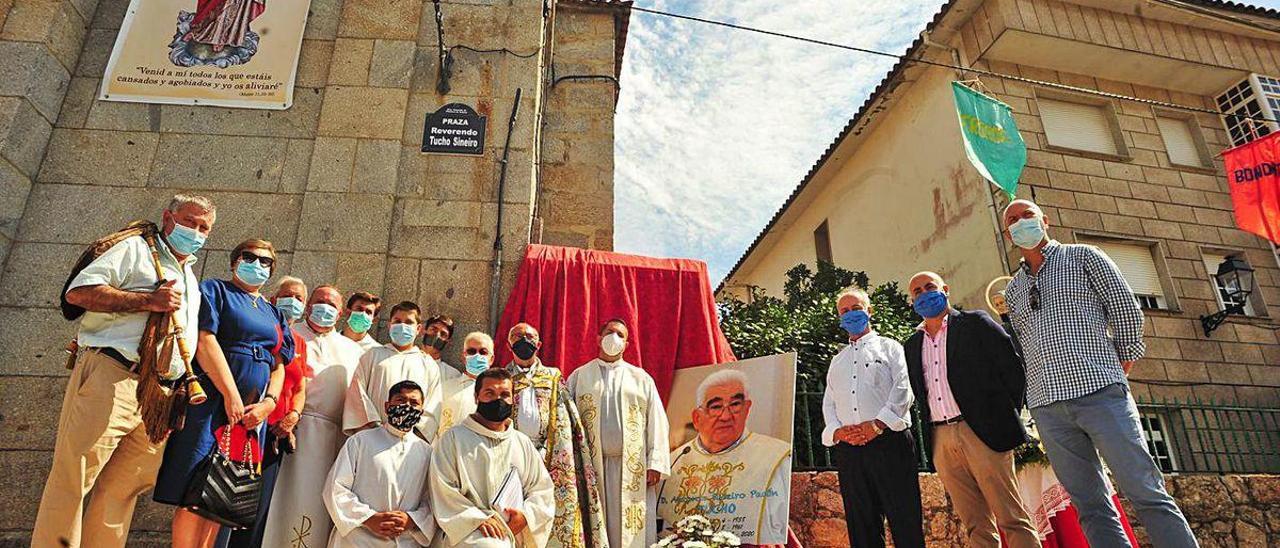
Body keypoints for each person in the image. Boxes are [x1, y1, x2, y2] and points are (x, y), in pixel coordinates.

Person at [1001, 199, 1196, 547]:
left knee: (1145, 490)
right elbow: (1024, 346)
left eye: (1026, 215)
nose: (1020, 223)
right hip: (1048, 407)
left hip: (1100, 393)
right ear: (1008, 234)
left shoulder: (1084, 257)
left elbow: (1124, 307)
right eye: (1012, 220)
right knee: (1089, 505)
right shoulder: (1014, 289)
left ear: (1045, 220)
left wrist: (1122, 361)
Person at [34, 194, 215, 548]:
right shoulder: (135, 249)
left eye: (203, 227)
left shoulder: (189, 276)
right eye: (189, 222)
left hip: (158, 394)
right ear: (168, 217)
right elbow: (79, 293)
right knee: (75, 476)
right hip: (115, 374)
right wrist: (148, 301)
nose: (195, 231)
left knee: (124, 488)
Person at [155, 239, 295, 548]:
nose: (257, 265)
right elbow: (205, 340)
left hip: (250, 417)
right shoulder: (215, 291)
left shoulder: (276, 314)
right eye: (250, 257)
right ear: (234, 261)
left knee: (220, 495)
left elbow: (279, 365)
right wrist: (231, 394)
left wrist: (268, 405)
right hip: (213, 402)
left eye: (266, 262)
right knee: (194, 489)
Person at [903, 271, 1039, 548]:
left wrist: (1001, 416)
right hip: (941, 437)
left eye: (930, 287)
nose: (924, 293)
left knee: (1010, 516)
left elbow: (1013, 370)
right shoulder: (912, 344)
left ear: (946, 290)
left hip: (982, 432)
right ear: (911, 300)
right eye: (917, 291)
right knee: (974, 522)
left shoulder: (975, 323)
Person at [262, 285, 367, 548]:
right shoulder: (289, 335)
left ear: (341, 313)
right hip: (282, 430)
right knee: (275, 503)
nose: (325, 308)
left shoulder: (354, 351)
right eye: (320, 302)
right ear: (308, 306)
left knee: (313, 507)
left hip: (329, 440)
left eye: (332, 305)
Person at [821, 287, 922, 548]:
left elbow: (903, 390)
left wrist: (877, 425)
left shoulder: (891, 348)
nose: (851, 314)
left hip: (891, 444)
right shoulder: (837, 361)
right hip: (850, 451)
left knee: (905, 520)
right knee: (861, 525)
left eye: (857, 308)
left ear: (869, 311)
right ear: (839, 317)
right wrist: (839, 432)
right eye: (845, 311)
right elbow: (829, 404)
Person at [218, 276, 314, 548]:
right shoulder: (259, 328)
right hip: (244, 425)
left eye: (299, 299)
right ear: (272, 299)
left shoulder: (299, 342)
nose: (293, 302)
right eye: (288, 295)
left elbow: (299, 387)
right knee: (222, 501)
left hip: (274, 436)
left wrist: (293, 416)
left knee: (256, 510)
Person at [566, 319, 670, 548]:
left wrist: (655, 462)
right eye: (610, 332)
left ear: (627, 344)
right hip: (591, 467)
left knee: (631, 529)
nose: (614, 338)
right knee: (595, 523)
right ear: (598, 338)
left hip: (632, 468)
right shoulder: (580, 376)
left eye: (620, 335)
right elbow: (566, 421)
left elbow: (657, 420)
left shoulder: (641, 378)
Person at [657, 369, 791, 546]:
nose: (726, 416)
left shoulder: (776, 456)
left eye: (735, 404)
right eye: (716, 407)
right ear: (697, 418)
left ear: (747, 409)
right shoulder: (674, 461)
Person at [504, 323, 607, 548]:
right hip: (512, 459)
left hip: (550, 457)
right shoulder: (502, 378)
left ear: (538, 345)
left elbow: (564, 421)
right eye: (517, 336)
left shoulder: (552, 377)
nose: (523, 340)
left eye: (529, 337)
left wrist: (545, 451)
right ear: (508, 344)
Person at [429, 368, 557, 547]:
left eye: (505, 394)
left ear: (513, 399)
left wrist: (525, 516)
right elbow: (443, 488)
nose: (498, 400)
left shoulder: (522, 442)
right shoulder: (454, 438)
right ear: (476, 397)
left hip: (513, 529)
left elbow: (542, 490)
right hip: (470, 532)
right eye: (490, 393)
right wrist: (477, 519)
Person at [324, 380, 439, 547]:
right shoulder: (360, 441)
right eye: (400, 400)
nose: (407, 406)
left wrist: (411, 520)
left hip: (405, 540)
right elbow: (335, 488)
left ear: (421, 411)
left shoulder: (427, 453)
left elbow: (433, 500)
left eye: (414, 403)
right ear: (387, 406)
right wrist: (369, 518)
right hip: (358, 537)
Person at [344, 301, 443, 441]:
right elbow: (357, 394)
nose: (402, 326)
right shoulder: (372, 355)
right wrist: (372, 430)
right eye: (397, 321)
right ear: (389, 325)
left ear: (418, 328)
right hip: (372, 436)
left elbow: (433, 406)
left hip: (410, 441)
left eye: (409, 322)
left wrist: (415, 437)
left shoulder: (428, 365)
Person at [437, 332, 490, 437]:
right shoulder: (444, 388)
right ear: (463, 357)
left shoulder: (496, 394)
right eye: (471, 351)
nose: (477, 356)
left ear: (491, 359)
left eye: (483, 352)